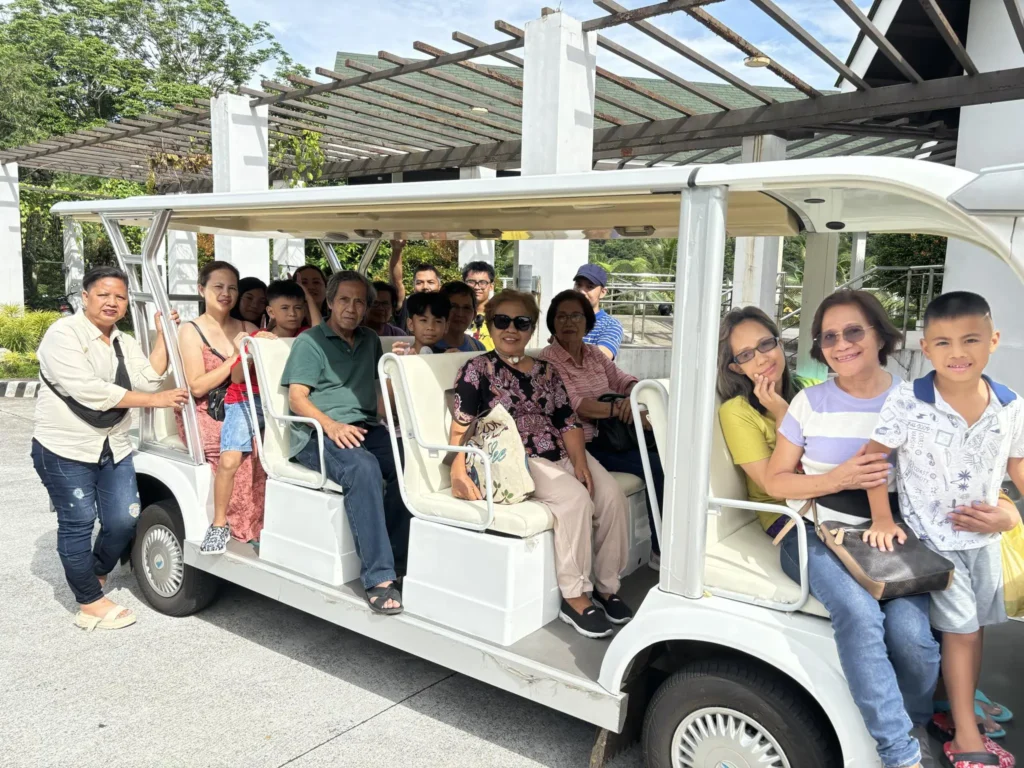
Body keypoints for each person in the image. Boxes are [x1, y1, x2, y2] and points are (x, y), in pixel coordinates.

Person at [764, 289, 938, 768]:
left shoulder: (913, 400)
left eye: (854, 331)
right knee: (860, 617)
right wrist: (836, 479)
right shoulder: (809, 403)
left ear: (880, 333)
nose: (841, 344)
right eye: (829, 336)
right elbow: (776, 480)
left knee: (913, 639)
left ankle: (915, 719)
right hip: (815, 529)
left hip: (891, 535)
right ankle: (900, 755)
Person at [863, 292, 1022, 768]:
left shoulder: (1010, 404)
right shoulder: (908, 401)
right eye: (944, 342)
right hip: (933, 541)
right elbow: (874, 460)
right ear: (926, 349)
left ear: (993, 341)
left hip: (985, 539)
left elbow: (1017, 461)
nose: (958, 352)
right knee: (961, 633)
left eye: (971, 339)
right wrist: (883, 518)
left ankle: (960, 703)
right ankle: (966, 738)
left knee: (978, 628)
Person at [448, 289, 632, 639]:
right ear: (490, 324)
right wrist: (458, 470)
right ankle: (575, 595)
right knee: (575, 501)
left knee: (611, 497)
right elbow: (461, 425)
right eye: (502, 321)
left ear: (531, 328)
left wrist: (579, 462)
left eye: (521, 322)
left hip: (561, 450)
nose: (511, 329)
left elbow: (568, 421)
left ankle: (607, 586)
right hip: (517, 458)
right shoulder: (476, 370)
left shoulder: (548, 370)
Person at [32, 266, 188, 630]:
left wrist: (165, 335)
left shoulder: (124, 341)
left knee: (124, 519)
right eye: (103, 294)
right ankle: (89, 602)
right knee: (78, 522)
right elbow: (91, 391)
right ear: (84, 297)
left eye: (119, 297)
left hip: (113, 445)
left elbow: (149, 378)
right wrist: (158, 400)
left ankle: (97, 571)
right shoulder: (63, 335)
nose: (112, 302)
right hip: (64, 446)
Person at [281, 271, 409, 615]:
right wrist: (331, 425)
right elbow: (297, 398)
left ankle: (397, 558)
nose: (351, 308)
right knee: (363, 469)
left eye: (359, 302)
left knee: (406, 464)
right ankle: (378, 578)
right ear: (330, 302)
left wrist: (399, 372)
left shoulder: (368, 340)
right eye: (344, 300)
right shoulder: (310, 341)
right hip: (316, 431)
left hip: (364, 426)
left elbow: (377, 402)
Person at [540, 289, 664, 560]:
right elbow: (576, 403)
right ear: (552, 322)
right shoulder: (548, 361)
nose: (569, 322)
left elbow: (625, 380)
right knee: (655, 468)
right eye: (561, 317)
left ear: (587, 321)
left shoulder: (595, 354)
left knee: (668, 460)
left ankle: (673, 539)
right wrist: (617, 409)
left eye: (576, 316)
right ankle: (661, 550)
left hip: (613, 437)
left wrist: (631, 398)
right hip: (582, 444)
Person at [200, 280, 311, 555]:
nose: (293, 314)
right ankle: (218, 523)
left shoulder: (307, 337)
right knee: (230, 458)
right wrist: (249, 352)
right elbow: (237, 377)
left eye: (298, 307)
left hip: (282, 402)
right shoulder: (257, 337)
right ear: (271, 311)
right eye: (284, 308)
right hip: (247, 399)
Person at [178, 261, 267, 546]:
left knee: (271, 443)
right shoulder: (190, 330)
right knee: (240, 453)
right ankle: (235, 527)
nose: (225, 293)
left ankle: (265, 525)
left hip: (244, 405)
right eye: (218, 286)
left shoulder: (247, 326)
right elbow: (197, 386)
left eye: (232, 288)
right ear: (201, 289)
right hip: (207, 411)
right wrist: (235, 358)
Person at [716, 306, 813, 539]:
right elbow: (775, 488)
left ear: (779, 343)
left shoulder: (810, 388)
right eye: (747, 355)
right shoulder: (737, 411)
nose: (762, 359)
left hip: (839, 507)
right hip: (790, 518)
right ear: (737, 367)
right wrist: (783, 413)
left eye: (766, 344)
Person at [574, 264, 623, 360]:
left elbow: (602, 357)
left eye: (589, 286)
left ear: (603, 292)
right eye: (579, 285)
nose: (582, 291)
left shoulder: (610, 325)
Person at [389, 239, 441, 328]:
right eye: (419, 282)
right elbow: (397, 282)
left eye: (430, 282)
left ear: (439, 286)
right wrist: (397, 249)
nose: (425, 287)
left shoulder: (446, 308)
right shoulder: (407, 307)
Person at [436, 281, 486, 352]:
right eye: (453, 306)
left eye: (466, 308)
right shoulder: (426, 348)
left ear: (474, 315)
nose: (460, 313)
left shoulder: (479, 349)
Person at [462, 261, 495, 350]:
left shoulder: (498, 316)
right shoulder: (455, 315)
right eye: (471, 282)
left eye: (482, 282)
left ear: (491, 286)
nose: (476, 287)